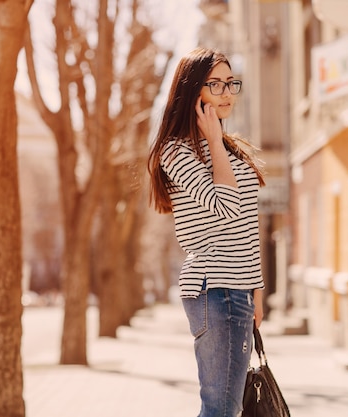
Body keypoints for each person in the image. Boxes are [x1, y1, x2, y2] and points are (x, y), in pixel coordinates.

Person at [147, 47, 266, 417]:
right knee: (220, 409)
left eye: (231, 83)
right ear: (194, 91)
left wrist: (257, 292)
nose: (227, 92)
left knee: (225, 409)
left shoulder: (229, 151)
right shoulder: (176, 152)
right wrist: (213, 140)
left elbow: (248, 224)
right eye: (215, 84)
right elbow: (227, 206)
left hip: (237, 292)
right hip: (215, 289)